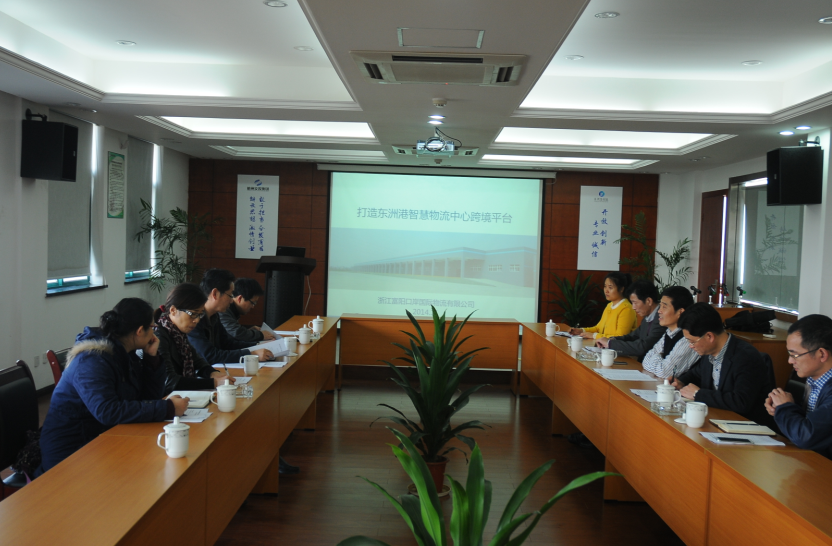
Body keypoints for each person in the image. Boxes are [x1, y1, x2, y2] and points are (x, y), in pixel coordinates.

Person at [37, 298, 189, 474]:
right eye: (153, 328)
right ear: (140, 331)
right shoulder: (92, 360)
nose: (154, 334)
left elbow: (147, 398)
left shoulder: (125, 353)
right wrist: (167, 408)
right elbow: (107, 411)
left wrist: (152, 359)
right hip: (71, 451)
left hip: (102, 438)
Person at [672, 303, 774, 426]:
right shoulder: (709, 353)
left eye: (692, 342)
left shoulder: (746, 357)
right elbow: (695, 374)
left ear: (709, 336)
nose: (690, 346)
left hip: (746, 426)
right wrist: (681, 382)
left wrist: (698, 394)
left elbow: (741, 402)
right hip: (719, 419)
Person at [766, 314, 832, 458]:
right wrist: (780, 406)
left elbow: (806, 437)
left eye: (795, 355)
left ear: (822, 354)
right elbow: (813, 426)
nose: (790, 361)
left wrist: (785, 408)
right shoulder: (812, 380)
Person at [155, 283, 235, 395]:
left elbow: (197, 361)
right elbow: (169, 380)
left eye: (199, 315)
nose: (196, 320)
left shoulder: (178, 333)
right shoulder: (158, 337)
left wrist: (213, 373)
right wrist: (214, 383)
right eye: (192, 314)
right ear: (173, 310)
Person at [188, 268, 273, 365]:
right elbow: (210, 356)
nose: (232, 300)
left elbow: (228, 344)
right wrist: (252, 354)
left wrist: (258, 345)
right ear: (215, 294)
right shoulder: (193, 320)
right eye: (230, 295)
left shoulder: (214, 315)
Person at [595, 279, 665, 361]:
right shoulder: (648, 317)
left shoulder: (661, 319)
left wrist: (610, 344)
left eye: (635, 303)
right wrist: (611, 340)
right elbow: (633, 336)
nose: (633, 307)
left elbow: (643, 346)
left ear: (649, 301)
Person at [641, 286, 699, 379]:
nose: (659, 311)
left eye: (664, 307)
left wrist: (657, 356)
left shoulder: (688, 338)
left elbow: (665, 372)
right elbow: (645, 360)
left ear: (680, 312)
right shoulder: (669, 333)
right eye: (660, 306)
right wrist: (659, 359)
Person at [570, 272, 637, 339]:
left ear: (621, 289)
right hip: (604, 344)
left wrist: (594, 336)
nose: (606, 291)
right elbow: (598, 328)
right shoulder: (609, 305)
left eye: (610, 287)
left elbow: (619, 337)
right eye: (605, 286)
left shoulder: (627, 309)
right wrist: (581, 331)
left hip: (616, 346)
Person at [219, 277, 277, 343]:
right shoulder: (223, 310)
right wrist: (261, 335)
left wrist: (249, 332)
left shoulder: (233, 310)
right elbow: (237, 333)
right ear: (240, 298)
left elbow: (232, 335)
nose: (253, 306)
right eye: (252, 302)